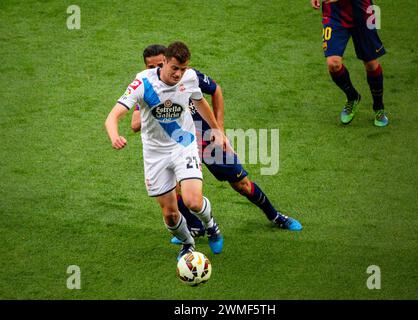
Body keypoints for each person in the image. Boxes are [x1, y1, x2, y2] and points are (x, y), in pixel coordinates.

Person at [132, 45, 303, 245]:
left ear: (168, 61)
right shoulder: (147, 88)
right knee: (176, 188)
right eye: (151, 66)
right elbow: (135, 124)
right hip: (175, 146)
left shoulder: (186, 76)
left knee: (241, 184)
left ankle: (275, 216)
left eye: (160, 64)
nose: (156, 68)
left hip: (205, 138)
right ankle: (195, 226)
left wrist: (218, 129)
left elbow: (215, 90)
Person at [105, 41, 225, 260]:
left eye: (183, 68)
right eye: (175, 68)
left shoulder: (189, 78)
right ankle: (188, 244)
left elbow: (200, 102)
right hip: (154, 153)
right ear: (165, 63)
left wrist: (217, 129)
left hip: (183, 144)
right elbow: (113, 116)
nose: (179, 74)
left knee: (193, 201)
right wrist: (115, 136)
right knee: (170, 215)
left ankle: (211, 225)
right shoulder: (142, 81)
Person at [311, 0, 389, 126]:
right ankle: (352, 97)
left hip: (363, 13)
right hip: (334, 15)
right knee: (333, 64)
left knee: (371, 64)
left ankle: (379, 107)